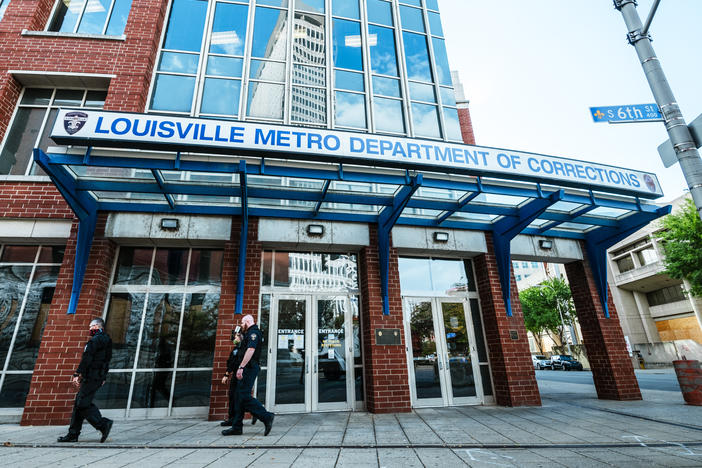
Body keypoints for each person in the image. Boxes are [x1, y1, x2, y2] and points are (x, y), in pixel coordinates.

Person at [58, 317, 113, 443]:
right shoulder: (107, 340)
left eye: (91, 326)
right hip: (97, 377)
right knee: (79, 404)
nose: (89, 329)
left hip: (92, 377)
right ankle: (73, 434)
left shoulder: (94, 341)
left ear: (97, 326)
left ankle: (103, 424)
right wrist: (103, 376)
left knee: (82, 403)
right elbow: (107, 360)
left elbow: (87, 358)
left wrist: (77, 373)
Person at [222, 314, 274, 436]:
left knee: (243, 395)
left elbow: (251, 350)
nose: (241, 325)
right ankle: (237, 427)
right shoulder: (248, 333)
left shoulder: (254, 333)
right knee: (239, 396)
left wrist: (241, 367)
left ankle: (266, 416)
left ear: (247, 321)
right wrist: (239, 338)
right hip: (246, 367)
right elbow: (240, 347)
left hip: (249, 368)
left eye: (242, 323)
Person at [220, 328, 257, 427]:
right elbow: (231, 362)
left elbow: (235, 363)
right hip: (235, 375)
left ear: (241, 337)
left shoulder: (243, 349)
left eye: (236, 336)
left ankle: (255, 412)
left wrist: (227, 374)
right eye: (234, 336)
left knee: (240, 397)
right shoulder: (236, 348)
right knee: (233, 396)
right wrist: (227, 374)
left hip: (241, 375)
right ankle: (232, 418)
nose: (235, 338)